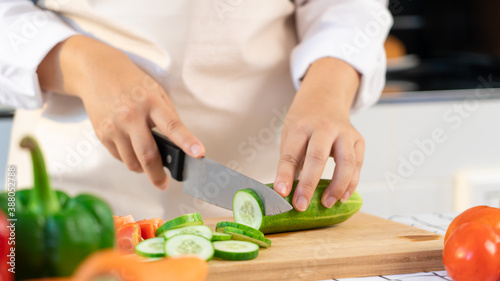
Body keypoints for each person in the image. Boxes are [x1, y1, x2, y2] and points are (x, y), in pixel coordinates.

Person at [0, 0, 392, 220]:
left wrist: (328, 89)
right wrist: (83, 64)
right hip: (64, 204)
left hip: (255, 196)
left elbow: (349, 9)